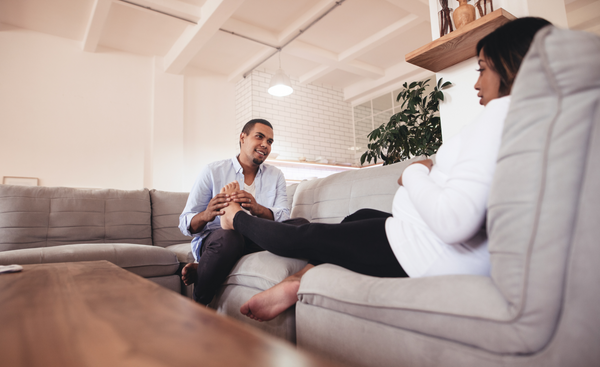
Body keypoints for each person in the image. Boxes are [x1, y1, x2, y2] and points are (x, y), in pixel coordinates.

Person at [214, 17, 552, 322]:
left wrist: (415, 173)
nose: (476, 83)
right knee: (357, 216)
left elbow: (454, 221)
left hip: (421, 250)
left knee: (308, 234)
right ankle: (298, 280)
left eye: (481, 69)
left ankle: (236, 218)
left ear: (507, 64)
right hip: (423, 240)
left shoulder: (501, 115)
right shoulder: (525, 118)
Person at [178, 118, 307, 305]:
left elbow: (283, 217)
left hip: (258, 237)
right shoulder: (213, 171)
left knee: (301, 225)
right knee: (230, 237)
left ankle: (210, 261)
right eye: (260, 137)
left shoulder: (276, 175)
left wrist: (257, 209)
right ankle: (199, 304)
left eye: (270, 141)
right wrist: (207, 214)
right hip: (220, 238)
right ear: (243, 137)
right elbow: (184, 223)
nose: (265, 145)